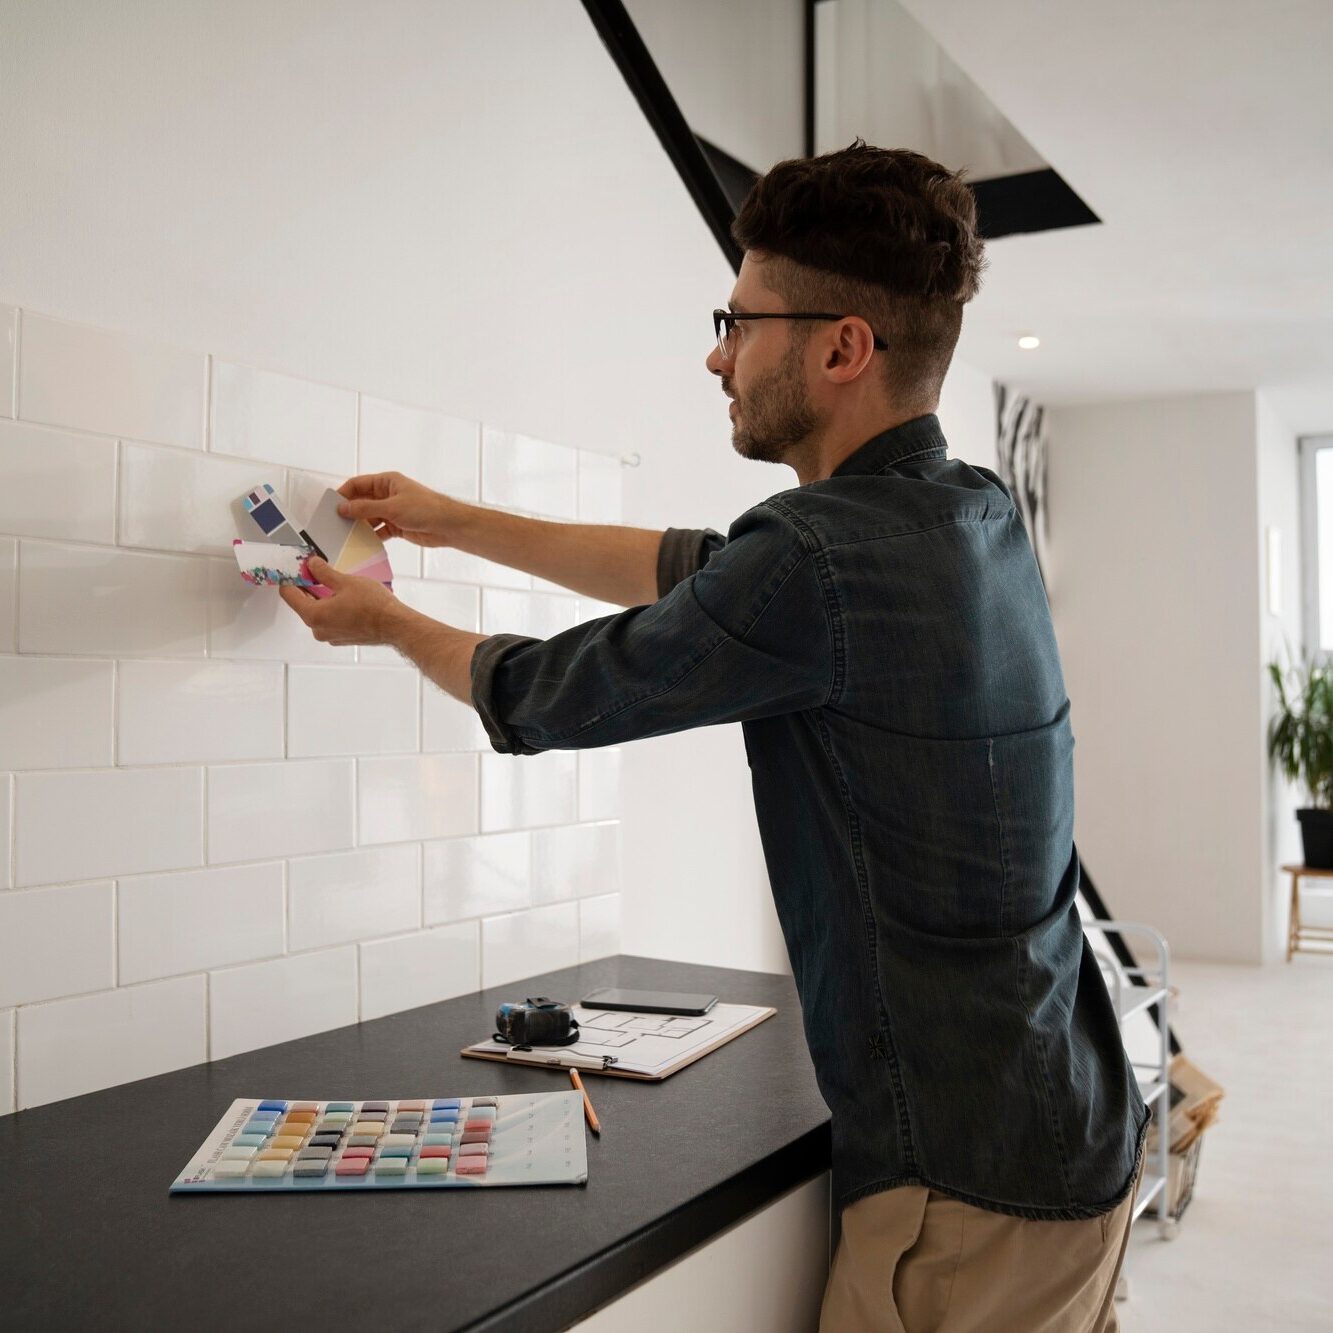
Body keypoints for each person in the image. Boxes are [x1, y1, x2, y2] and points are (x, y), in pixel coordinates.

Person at [281, 140, 1147, 1332]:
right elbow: (698, 569)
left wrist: (381, 622)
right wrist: (454, 521)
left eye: (738, 321)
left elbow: (544, 692)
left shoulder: (819, 559)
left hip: (967, 1190)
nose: (715, 351)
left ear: (841, 346)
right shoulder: (970, 510)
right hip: (1071, 1126)